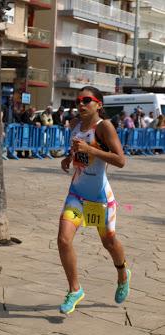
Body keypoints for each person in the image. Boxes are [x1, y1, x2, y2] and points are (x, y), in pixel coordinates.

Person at [58, 86, 130, 314]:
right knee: (63, 240)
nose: (81, 104)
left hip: (99, 198)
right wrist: (69, 158)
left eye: (86, 100)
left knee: (108, 242)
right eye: (78, 100)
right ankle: (75, 289)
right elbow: (79, 150)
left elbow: (120, 160)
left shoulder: (104, 127)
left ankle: (122, 272)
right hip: (77, 194)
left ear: (99, 104)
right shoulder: (75, 125)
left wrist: (92, 149)